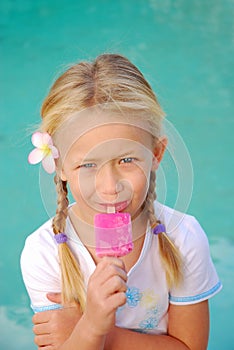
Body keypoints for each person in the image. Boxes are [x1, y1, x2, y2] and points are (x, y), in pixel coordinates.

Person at [21, 53, 222, 350]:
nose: (110, 187)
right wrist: (91, 326)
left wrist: (102, 331)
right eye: (87, 165)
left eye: (127, 159)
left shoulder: (184, 238)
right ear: (60, 166)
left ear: (156, 153)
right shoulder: (44, 253)